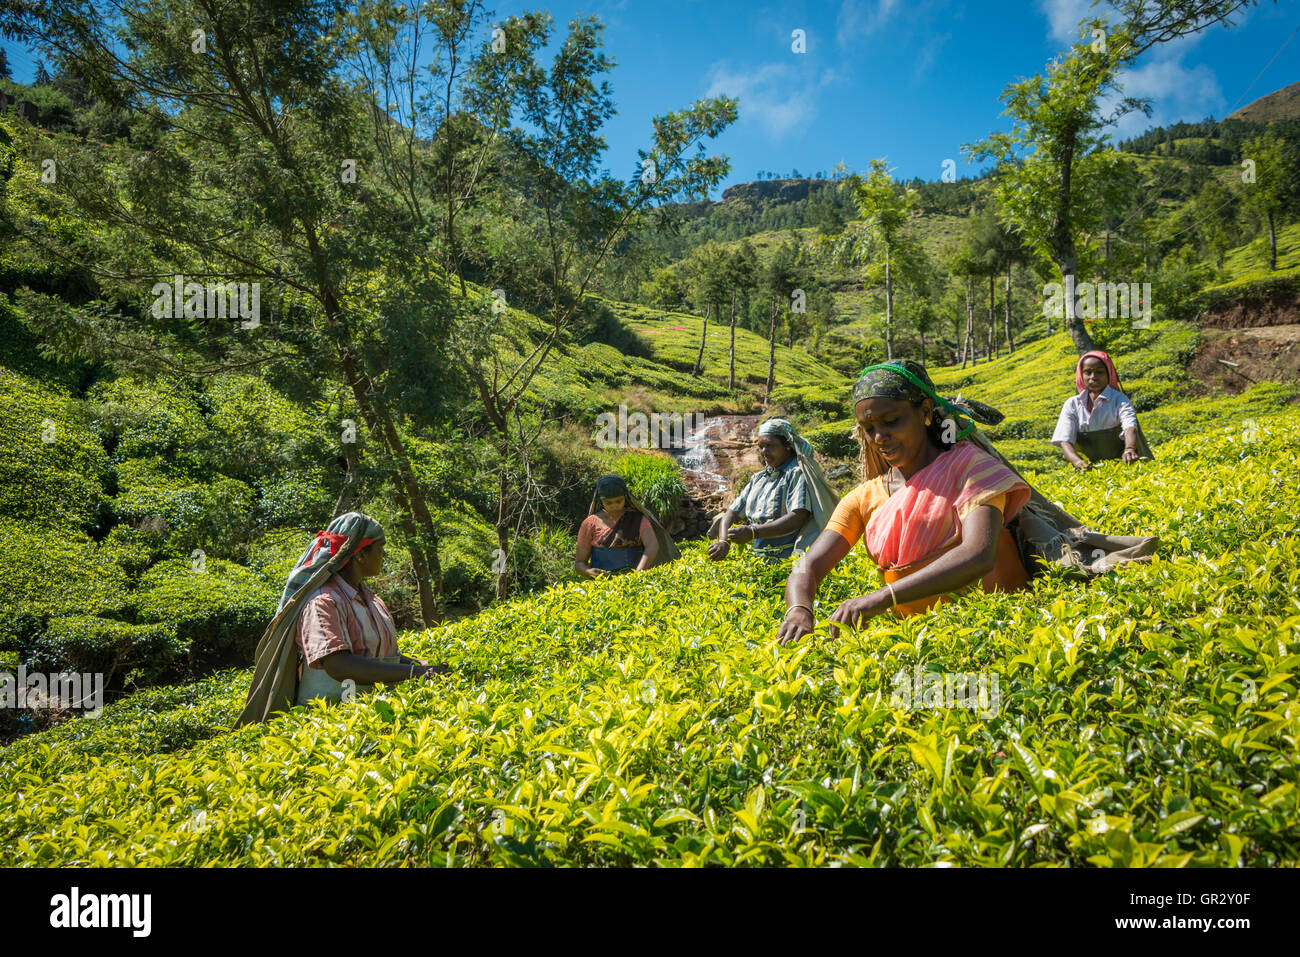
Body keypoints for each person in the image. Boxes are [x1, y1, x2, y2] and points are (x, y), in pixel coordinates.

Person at [778, 360, 1158, 645]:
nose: (879, 436)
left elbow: (979, 554)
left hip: (1001, 629)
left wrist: (882, 597)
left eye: (891, 421)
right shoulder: (864, 497)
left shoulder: (971, 469)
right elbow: (809, 565)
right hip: (921, 640)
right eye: (870, 428)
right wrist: (800, 608)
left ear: (925, 413)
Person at [236, 512, 446, 725]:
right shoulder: (323, 602)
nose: (384, 554)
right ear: (360, 555)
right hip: (331, 725)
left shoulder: (370, 599)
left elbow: (377, 656)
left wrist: (421, 666)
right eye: (380, 548)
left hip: (374, 717)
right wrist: (414, 672)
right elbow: (338, 665)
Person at [708, 418, 840, 563]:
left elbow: (797, 517)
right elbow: (731, 513)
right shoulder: (758, 479)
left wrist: (754, 532)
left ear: (787, 446)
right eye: (761, 446)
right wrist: (723, 541)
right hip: (758, 559)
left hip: (788, 559)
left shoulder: (796, 473)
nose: (764, 451)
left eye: (770, 445)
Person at [1052, 350, 1154, 469]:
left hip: (1124, 464)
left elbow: (1129, 426)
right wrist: (1077, 461)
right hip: (1092, 469)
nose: (1093, 377)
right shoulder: (1072, 404)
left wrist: (1129, 448)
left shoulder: (1119, 399)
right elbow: (1064, 439)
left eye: (1099, 372)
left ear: (1108, 374)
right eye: (1087, 372)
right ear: (1081, 375)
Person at [575, 474, 680, 578]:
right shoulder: (590, 523)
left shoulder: (638, 519)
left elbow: (652, 546)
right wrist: (588, 571)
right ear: (601, 501)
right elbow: (579, 563)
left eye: (618, 501)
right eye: (608, 503)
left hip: (634, 579)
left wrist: (638, 573)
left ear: (626, 497)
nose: (614, 506)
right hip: (602, 584)